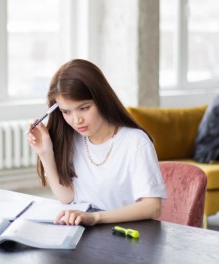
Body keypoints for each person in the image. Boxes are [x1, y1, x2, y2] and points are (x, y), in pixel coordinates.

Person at [27, 59, 167, 226]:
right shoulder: (73, 139)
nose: (76, 120)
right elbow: (67, 197)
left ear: (102, 99)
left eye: (84, 108)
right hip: (86, 233)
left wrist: (96, 218)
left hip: (127, 235)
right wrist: (45, 152)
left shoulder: (135, 142)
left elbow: (152, 207)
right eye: (66, 111)